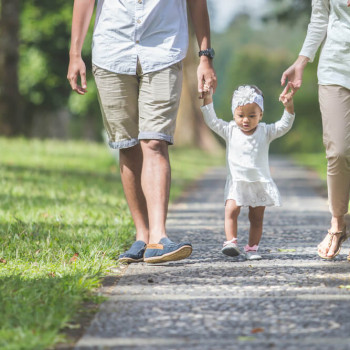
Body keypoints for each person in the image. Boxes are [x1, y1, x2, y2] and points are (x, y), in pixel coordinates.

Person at [67, 0, 217, 264]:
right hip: (112, 50)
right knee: (127, 144)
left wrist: (205, 57)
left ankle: (159, 236)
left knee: (155, 141)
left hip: (164, 49)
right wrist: (75, 54)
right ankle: (142, 235)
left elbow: (197, 3)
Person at [281, 0, 350, 260]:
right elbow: (320, 17)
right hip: (336, 69)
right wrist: (302, 60)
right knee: (339, 151)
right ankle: (337, 224)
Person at [200, 85, 294, 260]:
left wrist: (288, 107)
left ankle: (252, 249)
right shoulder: (230, 130)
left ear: (261, 115)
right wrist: (208, 99)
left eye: (252, 116)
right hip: (237, 181)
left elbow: (284, 126)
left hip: (259, 182)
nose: (246, 120)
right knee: (231, 210)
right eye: (240, 115)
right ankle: (231, 242)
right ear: (234, 114)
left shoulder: (265, 131)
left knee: (256, 218)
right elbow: (212, 121)